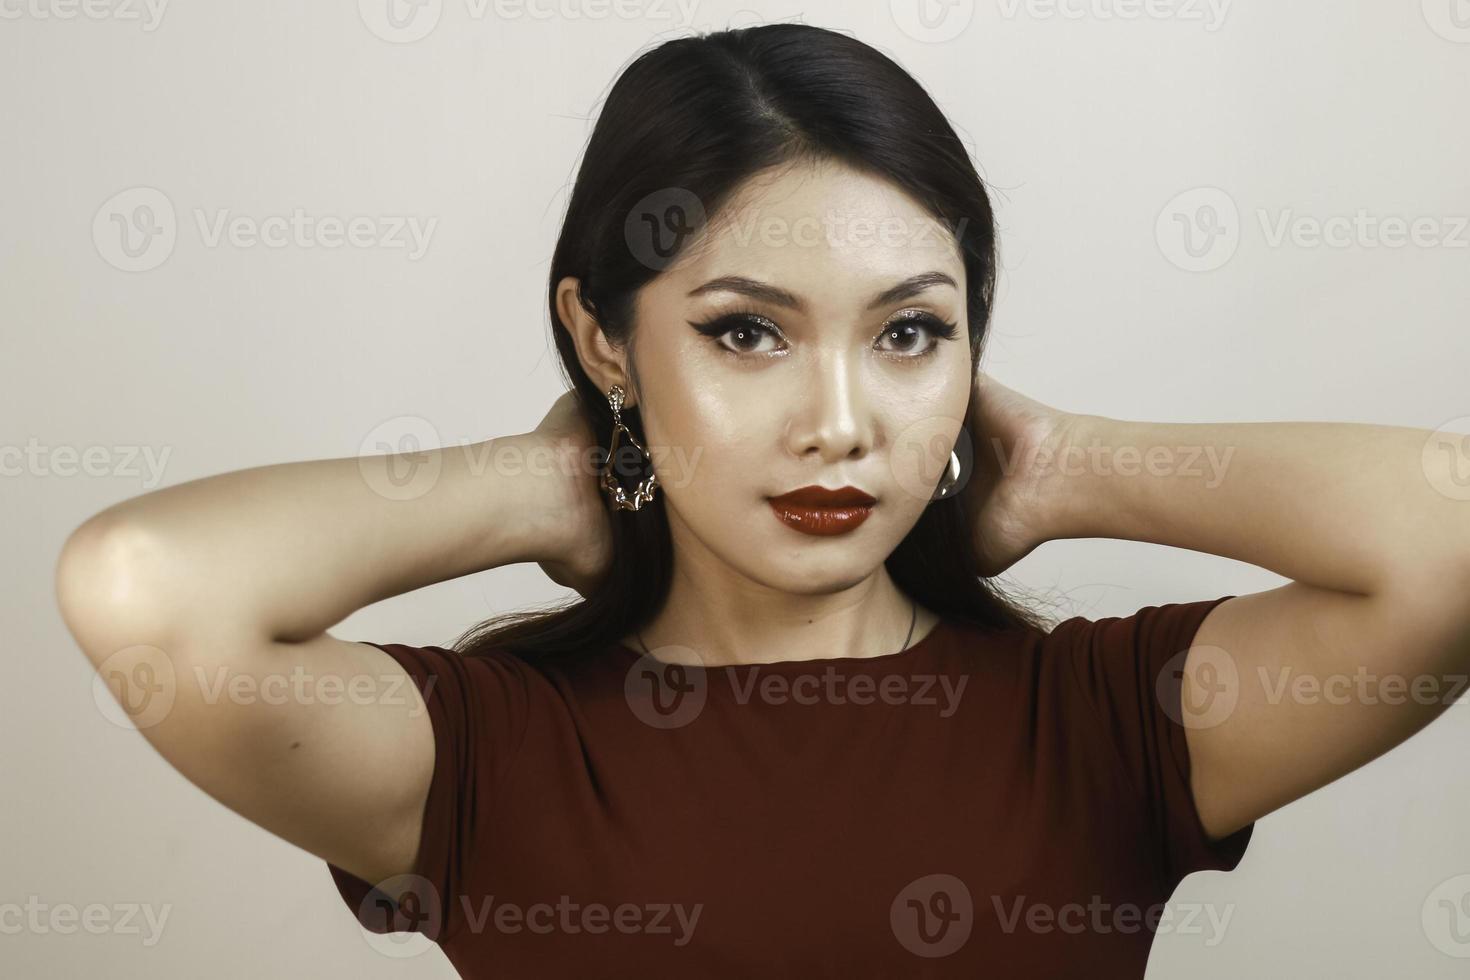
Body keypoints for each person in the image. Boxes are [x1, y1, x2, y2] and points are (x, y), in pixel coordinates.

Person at [55, 23, 1470, 979]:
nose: (840, 424)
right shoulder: (488, 751)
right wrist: (550, 484)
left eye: (909, 332)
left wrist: (1062, 467)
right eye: (745, 332)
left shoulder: (1103, 720)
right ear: (604, 336)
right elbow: (144, 588)